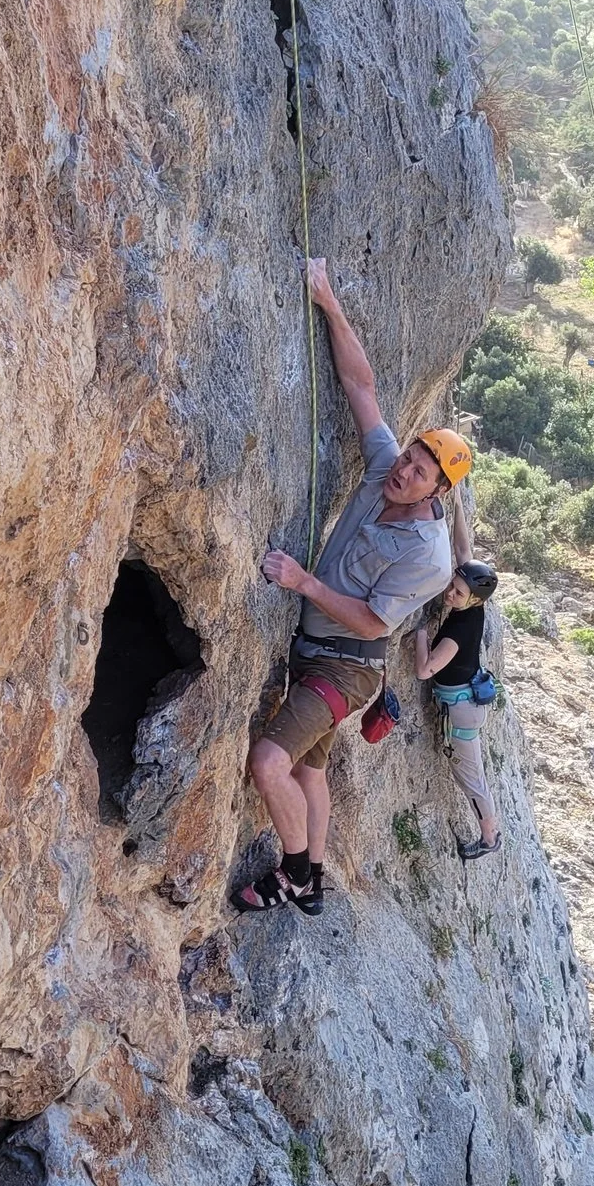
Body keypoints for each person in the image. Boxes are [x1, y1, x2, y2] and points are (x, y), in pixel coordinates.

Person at [236, 258, 472, 917]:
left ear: (438, 491)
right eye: (408, 458)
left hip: (345, 669)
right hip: (319, 655)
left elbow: (373, 624)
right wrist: (329, 303)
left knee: (269, 762)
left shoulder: (425, 557)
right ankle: (313, 877)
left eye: (420, 472)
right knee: (312, 770)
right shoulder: (383, 472)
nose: (404, 470)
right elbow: (359, 384)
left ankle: (291, 875)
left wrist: (303, 581)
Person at [414, 560, 500, 860]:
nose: (450, 593)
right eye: (452, 585)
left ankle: (490, 838)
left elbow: (425, 670)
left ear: (473, 598)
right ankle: (490, 833)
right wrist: (457, 512)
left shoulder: (458, 632)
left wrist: (421, 635)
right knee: (474, 776)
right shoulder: (475, 606)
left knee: (472, 781)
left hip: (461, 712)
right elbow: (465, 552)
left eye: (458, 592)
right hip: (465, 703)